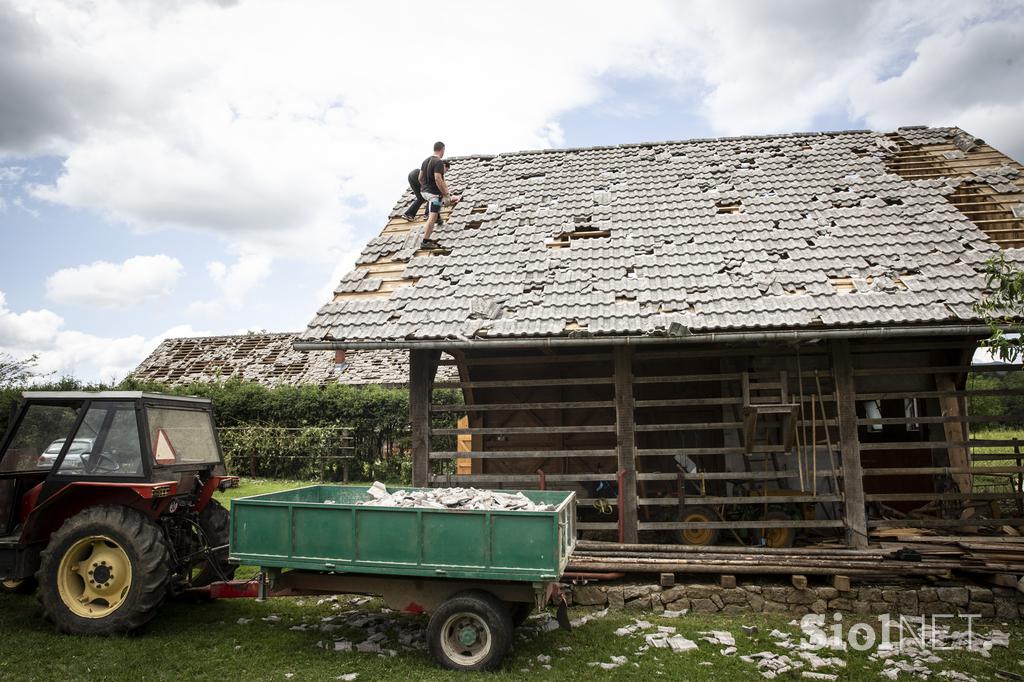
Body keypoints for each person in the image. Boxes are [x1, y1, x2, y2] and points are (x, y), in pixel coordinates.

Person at [419, 141, 454, 248]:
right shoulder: (438, 162)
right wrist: (446, 194)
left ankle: (438, 217)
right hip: (433, 195)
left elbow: (420, 178)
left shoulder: (425, 161)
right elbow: (438, 178)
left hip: (423, 192)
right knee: (432, 216)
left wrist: (426, 187)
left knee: (435, 209)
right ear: (442, 149)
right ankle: (425, 241)